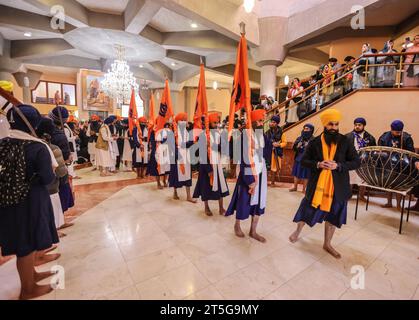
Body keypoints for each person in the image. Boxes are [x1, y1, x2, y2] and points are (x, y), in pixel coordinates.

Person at [0, 105, 60, 300]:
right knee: (27, 244)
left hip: (8, 201)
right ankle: (28, 289)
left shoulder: (3, 142)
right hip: (31, 199)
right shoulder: (36, 146)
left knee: (24, 242)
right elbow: (47, 178)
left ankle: (32, 275)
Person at [289, 109, 360, 259]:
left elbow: (356, 162)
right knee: (307, 210)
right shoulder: (314, 142)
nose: (334, 127)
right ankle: (297, 232)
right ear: (324, 125)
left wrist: (339, 166)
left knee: (333, 216)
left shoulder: (345, 141)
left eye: (336, 124)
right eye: (330, 124)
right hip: (317, 186)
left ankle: (327, 243)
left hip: (338, 187)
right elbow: (304, 161)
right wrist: (319, 164)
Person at [226, 109, 268, 242]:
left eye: (263, 121)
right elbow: (243, 159)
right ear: (254, 122)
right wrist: (250, 180)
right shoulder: (245, 136)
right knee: (243, 201)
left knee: (258, 203)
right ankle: (237, 225)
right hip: (248, 174)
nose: (262, 123)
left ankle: (253, 230)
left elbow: (265, 152)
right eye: (260, 121)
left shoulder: (262, 135)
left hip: (260, 173)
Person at [193, 112, 229, 216]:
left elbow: (223, 148)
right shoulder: (203, 135)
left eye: (217, 123)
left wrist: (212, 146)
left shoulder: (218, 134)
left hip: (217, 164)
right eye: (214, 123)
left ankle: (221, 208)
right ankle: (206, 207)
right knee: (206, 187)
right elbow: (201, 154)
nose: (217, 125)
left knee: (220, 186)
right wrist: (208, 169)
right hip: (206, 166)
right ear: (209, 123)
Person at [36, 118, 68, 234]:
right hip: (49, 181)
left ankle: (59, 223)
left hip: (52, 182)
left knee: (56, 202)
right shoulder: (43, 145)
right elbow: (57, 166)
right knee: (51, 204)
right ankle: (54, 228)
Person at [378, 120, 415, 209]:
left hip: (402, 166)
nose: (398, 134)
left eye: (400, 132)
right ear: (391, 129)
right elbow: (380, 148)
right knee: (388, 183)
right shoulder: (384, 137)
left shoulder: (406, 138)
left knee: (399, 185)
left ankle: (399, 205)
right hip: (388, 164)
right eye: (396, 132)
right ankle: (389, 203)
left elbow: (411, 152)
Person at [48, 106, 74, 229]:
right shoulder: (57, 134)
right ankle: (57, 224)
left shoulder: (52, 132)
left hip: (53, 166)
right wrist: (67, 158)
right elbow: (61, 153)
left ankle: (60, 220)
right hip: (58, 167)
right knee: (60, 194)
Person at [345, 117, 377, 201]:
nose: (357, 126)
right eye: (355, 125)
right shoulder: (347, 136)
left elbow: (373, 151)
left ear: (364, 125)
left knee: (363, 179)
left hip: (364, 162)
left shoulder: (370, 138)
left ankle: (361, 195)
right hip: (350, 160)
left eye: (359, 125)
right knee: (350, 178)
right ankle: (348, 195)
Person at [169, 113, 197, 203]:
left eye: (186, 120)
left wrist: (191, 143)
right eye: (183, 120)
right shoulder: (173, 132)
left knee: (187, 175)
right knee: (176, 175)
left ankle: (188, 196)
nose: (185, 122)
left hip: (187, 156)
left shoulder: (187, 132)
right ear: (178, 121)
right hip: (178, 157)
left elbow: (188, 143)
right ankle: (175, 192)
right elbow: (174, 146)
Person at [289, 124, 315, 193]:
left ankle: (304, 189)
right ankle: (295, 187)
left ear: (311, 130)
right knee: (296, 173)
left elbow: (316, 151)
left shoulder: (313, 140)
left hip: (307, 159)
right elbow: (294, 148)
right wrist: (297, 146)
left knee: (306, 175)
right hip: (298, 158)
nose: (305, 130)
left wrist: (309, 146)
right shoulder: (299, 138)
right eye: (304, 128)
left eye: (307, 129)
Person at [265, 115, 286, 187]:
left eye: (273, 122)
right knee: (267, 167)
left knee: (273, 168)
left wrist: (278, 144)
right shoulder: (267, 132)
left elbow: (285, 143)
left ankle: (272, 182)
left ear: (277, 123)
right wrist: (270, 143)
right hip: (268, 152)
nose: (271, 123)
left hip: (276, 152)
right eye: (271, 122)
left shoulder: (281, 132)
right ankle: (265, 182)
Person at [147, 121, 170, 189]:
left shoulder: (166, 131)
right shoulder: (153, 131)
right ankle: (158, 182)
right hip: (157, 150)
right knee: (157, 168)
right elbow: (153, 141)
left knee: (166, 166)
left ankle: (164, 181)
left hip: (166, 150)